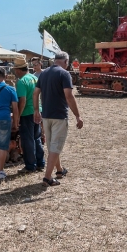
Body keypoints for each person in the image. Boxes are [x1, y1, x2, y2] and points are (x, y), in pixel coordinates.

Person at [33, 51, 83, 187]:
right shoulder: (64, 74)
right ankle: (47, 178)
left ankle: (59, 170)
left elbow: (36, 92)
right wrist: (78, 115)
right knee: (55, 146)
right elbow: (69, 96)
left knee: (51, 145)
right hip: (59, 115)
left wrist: (36, 110)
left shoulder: (43, 73)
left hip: (46, 115)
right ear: (66, 61)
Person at [14, 58, 44, 173]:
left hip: (26, 113)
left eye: (15, 70)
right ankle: (40, 162)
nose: (15, 72)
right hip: (37, 111)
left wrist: (18, 116)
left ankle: (30, 165)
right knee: (37, 138)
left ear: (18, 70)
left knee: (28, 140)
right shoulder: (35, 78)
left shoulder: (22, 81)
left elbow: (22, 101)